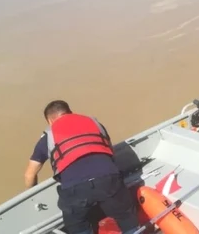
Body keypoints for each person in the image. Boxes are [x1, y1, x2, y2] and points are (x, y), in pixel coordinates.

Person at [24, 100, 139, 234]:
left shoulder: (48, 136)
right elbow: (109, 151)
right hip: (108, 178)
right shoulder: (94, 123)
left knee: (78, 227)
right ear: (70, 112)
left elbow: (29, 175)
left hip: (75, 188)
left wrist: (33, 197)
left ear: (50, 121)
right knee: (126, 218)